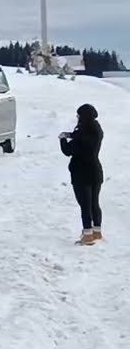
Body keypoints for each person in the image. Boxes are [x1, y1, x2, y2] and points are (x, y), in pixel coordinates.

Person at [60, 103, 104, 245]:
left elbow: (68, 151)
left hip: (81, 173)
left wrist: (62, 139)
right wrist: (71, 135)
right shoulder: (96, 130)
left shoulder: (81, 133)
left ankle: (87, 235)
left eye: (78, 115)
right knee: (94, 203)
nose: (77, 117)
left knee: (85, 205)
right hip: (95, 172)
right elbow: (82, 138)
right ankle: (97, 232)